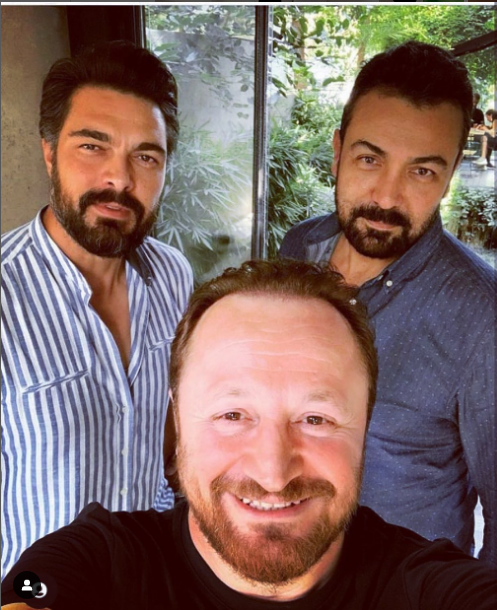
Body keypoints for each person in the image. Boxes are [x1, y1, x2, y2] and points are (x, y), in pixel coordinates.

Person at [1, 260, 496, 610]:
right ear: (178, 420)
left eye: (315, 419)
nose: (273, 473)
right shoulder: (97, 559)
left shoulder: (432, 587)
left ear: (364, 425)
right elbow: (31, 589)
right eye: (233, 414)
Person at [279, 41, 496, 566]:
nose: (386, 196)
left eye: (422, 171)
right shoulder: (298, 249)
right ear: (338, 151)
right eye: (370, 159)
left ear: (449, 175)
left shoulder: (482, 317)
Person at [1, 41, 193, 578]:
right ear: (48, 151)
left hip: (157, 578)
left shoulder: (173, 276)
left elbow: (167, 435)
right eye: (92, 146)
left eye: (146, 157)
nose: (119, 179)